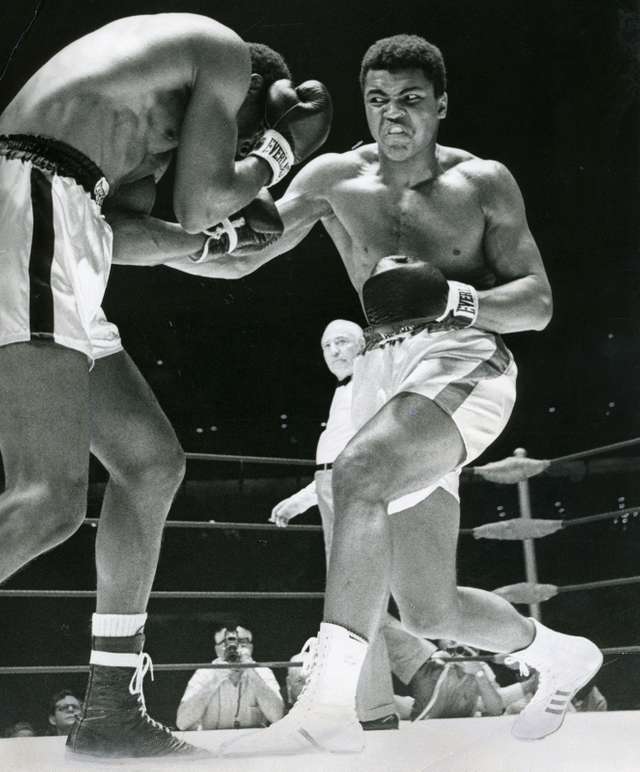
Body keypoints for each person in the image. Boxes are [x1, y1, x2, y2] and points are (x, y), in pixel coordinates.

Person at [156, 33, 602, 756]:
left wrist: (452, 299)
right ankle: (560, 654)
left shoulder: (482, 182)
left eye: (411, 99)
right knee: (429, 610)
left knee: (357, 474)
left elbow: (538, 304)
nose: (394, 114)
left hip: (462, 356)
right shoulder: (334, 178)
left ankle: (327, 710)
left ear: (441, 105)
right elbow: (242, 256)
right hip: (383, 377)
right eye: (378, 100)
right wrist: (138, 246)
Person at [0, 12, 331, 761]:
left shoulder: (130, 124)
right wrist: (280, 154)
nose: (226, 153)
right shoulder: (220, 52)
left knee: (150, 463)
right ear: (253, 94)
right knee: (46, 500)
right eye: (242, 138)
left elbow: (129, 233)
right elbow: (203, 199)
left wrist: (216, 242)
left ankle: (111, 708)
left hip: (65, 225)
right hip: (34, 201)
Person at [270, 318, 458, 729]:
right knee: (352, 597)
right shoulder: (347, 389)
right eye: (327, 345)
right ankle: (415, 670)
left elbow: (370, 448)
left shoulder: (373, 384)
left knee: (351, 598)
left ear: (363, 345)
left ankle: (381, 702)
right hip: (334, 486)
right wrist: (304, 498)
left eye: (342, 342)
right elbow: (338, 453)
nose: (334, 351)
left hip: (357, 486)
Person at [176, 626, 284, 730]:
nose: (233, 649)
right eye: (226, 644)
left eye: (241, 643)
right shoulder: (204, 673)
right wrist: (215, 680)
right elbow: (182, 723)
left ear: (251, 647)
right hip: (211, 740)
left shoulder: (263, 672)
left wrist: (250, 671)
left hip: (254, 740)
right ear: (216, 649)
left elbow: (278, 717)